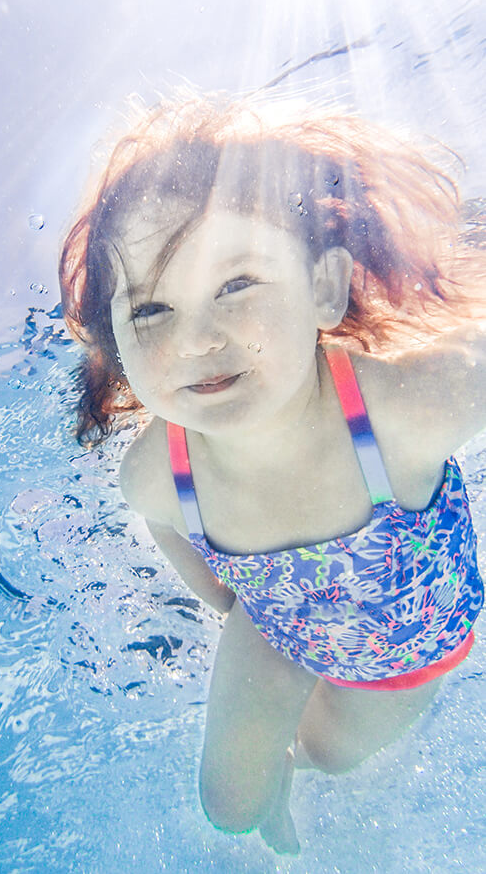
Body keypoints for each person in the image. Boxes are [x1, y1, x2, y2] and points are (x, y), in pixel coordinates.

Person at [58, 92, 485, 854]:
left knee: (329, 757)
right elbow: (164, 521)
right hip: (275, 625)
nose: (196, 339)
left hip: (397, 650)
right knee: (230, 804)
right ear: (115, 341)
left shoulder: (401, 415)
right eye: (151, 310)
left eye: (235, 285)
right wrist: (225, 598)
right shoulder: (159, 472)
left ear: (323, 286)